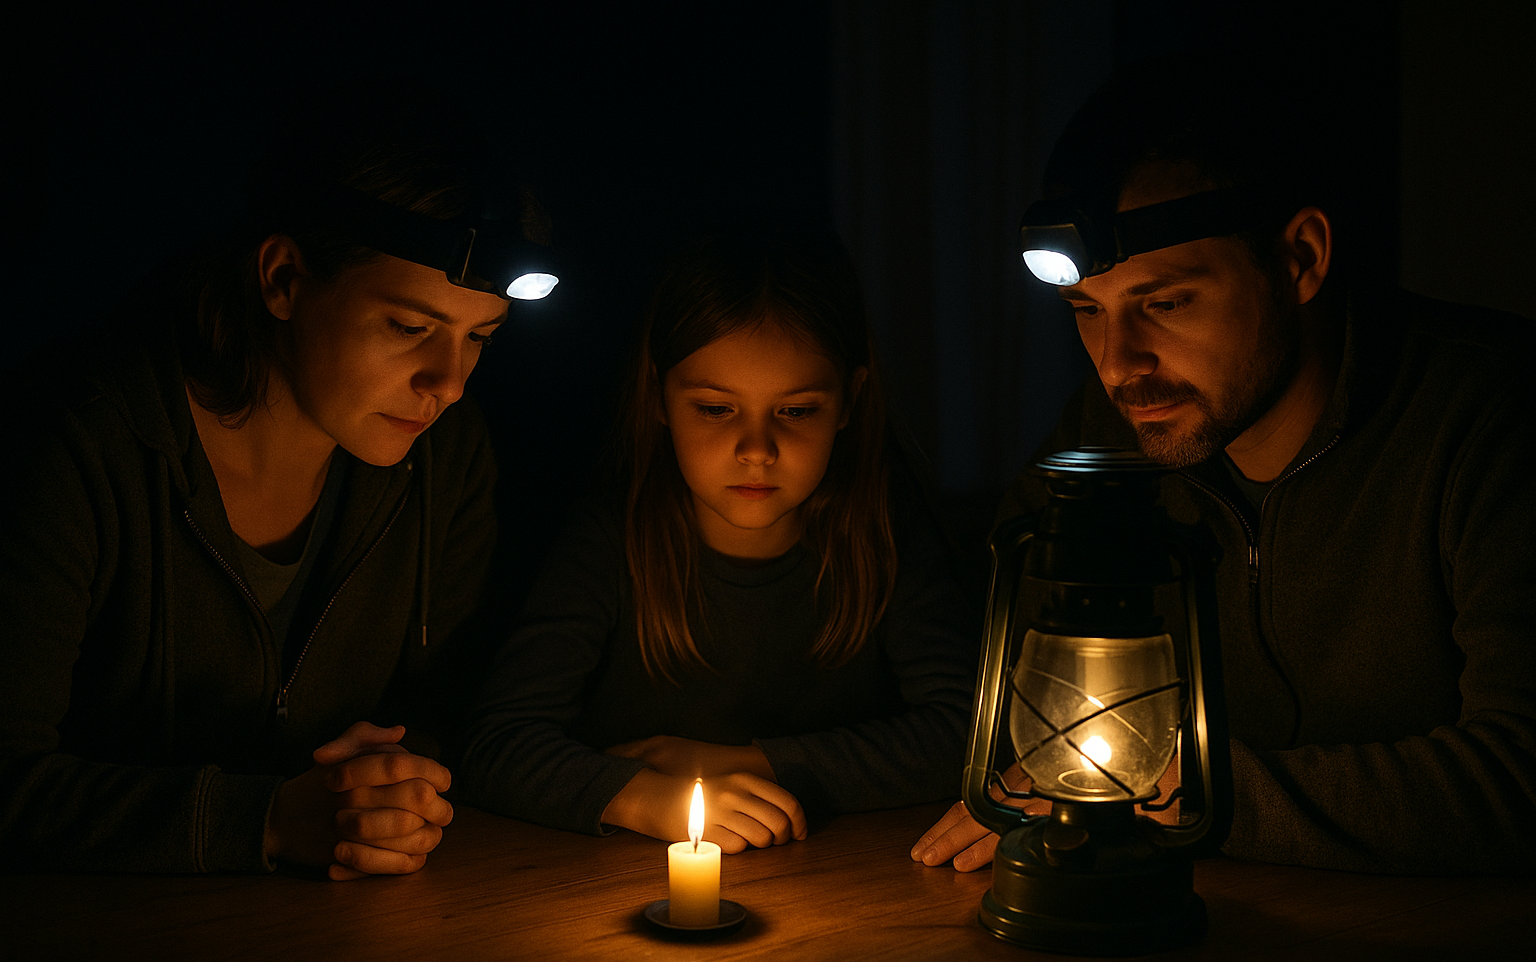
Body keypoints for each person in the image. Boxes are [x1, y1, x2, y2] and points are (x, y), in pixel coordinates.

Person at [911, 63, 1535, 875]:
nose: (1117, 366)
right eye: (1087, 313)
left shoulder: (1488, 420)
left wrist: (1178, 790)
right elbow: (984, 682)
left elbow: (1520, 774)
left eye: (1166, 304)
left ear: (1301, 258)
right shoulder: (1113, 434)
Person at [0, 96, 550, 878]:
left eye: (479, 340)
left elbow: (444, 713)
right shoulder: (80, 447)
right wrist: (260, 821)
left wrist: (389, 785)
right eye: (408, 327)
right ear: (284, 278)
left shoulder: (446, 460)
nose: (449, 384)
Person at [459, 224, 976, 852]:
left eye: (795, 410)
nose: (756, 451)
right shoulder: (613, 536)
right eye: (715, 408)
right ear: (658, 396)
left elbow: (967, 738)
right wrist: (649, 797)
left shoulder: (881, 532)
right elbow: (495, 744)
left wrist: (742, 763)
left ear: (849, 403)